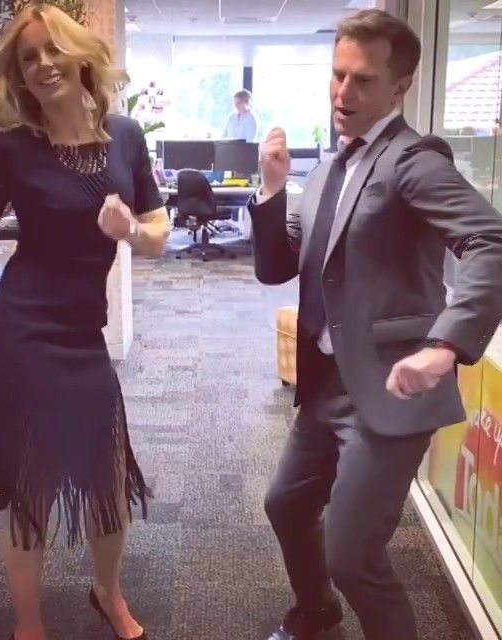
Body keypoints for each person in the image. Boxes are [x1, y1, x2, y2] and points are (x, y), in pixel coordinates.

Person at [0, 4, 170, 640]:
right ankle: (28, 623)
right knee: (29, 487)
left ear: (80, 57)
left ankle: (108, 592)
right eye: (28, 58)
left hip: (82, 336)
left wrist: (129, 230)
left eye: (52, 50)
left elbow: (159, 233)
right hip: (21, 335)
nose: (43, 64)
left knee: (107, 477)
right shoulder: (14, 149)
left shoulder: (126, 137)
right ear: (17, 75)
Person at [248, 9, 502, 640]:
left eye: (362, 80)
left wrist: (444, 345)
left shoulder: (414, 161)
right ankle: (316, 614)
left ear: (400, 86)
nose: (343, 92)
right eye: (338, 75)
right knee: (287, 505)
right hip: (326, 386)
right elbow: (276, 267)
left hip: (389, 388)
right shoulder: (326, 171)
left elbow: (490, 241)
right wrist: (272, 188)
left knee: (354, 556)